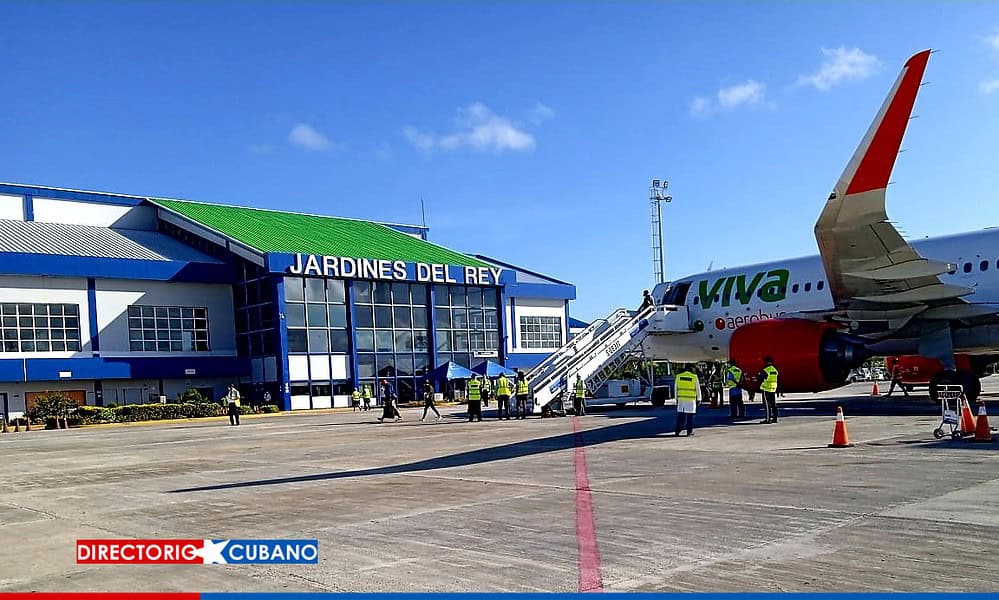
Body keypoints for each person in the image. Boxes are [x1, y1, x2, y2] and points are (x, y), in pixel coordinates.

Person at [674, 364, 700, 436]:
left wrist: (676, 398)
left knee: (680, 417)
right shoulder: (694, 377)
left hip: (681, 400)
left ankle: (677, 431)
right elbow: (698, 389)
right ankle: (689, 431)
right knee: (690, 417)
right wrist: (699, 399)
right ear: (691, 369)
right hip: (690, 401)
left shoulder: (678, 376)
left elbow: (675, 389)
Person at [758, 357, 779, 424]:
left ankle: (767, 419)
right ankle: (775, 418)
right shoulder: (775, 370)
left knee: (767, 405)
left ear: (766, 362)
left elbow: (760, 379)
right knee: (773, 404)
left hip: (766, 388)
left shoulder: (765, 370)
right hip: (773, 388)